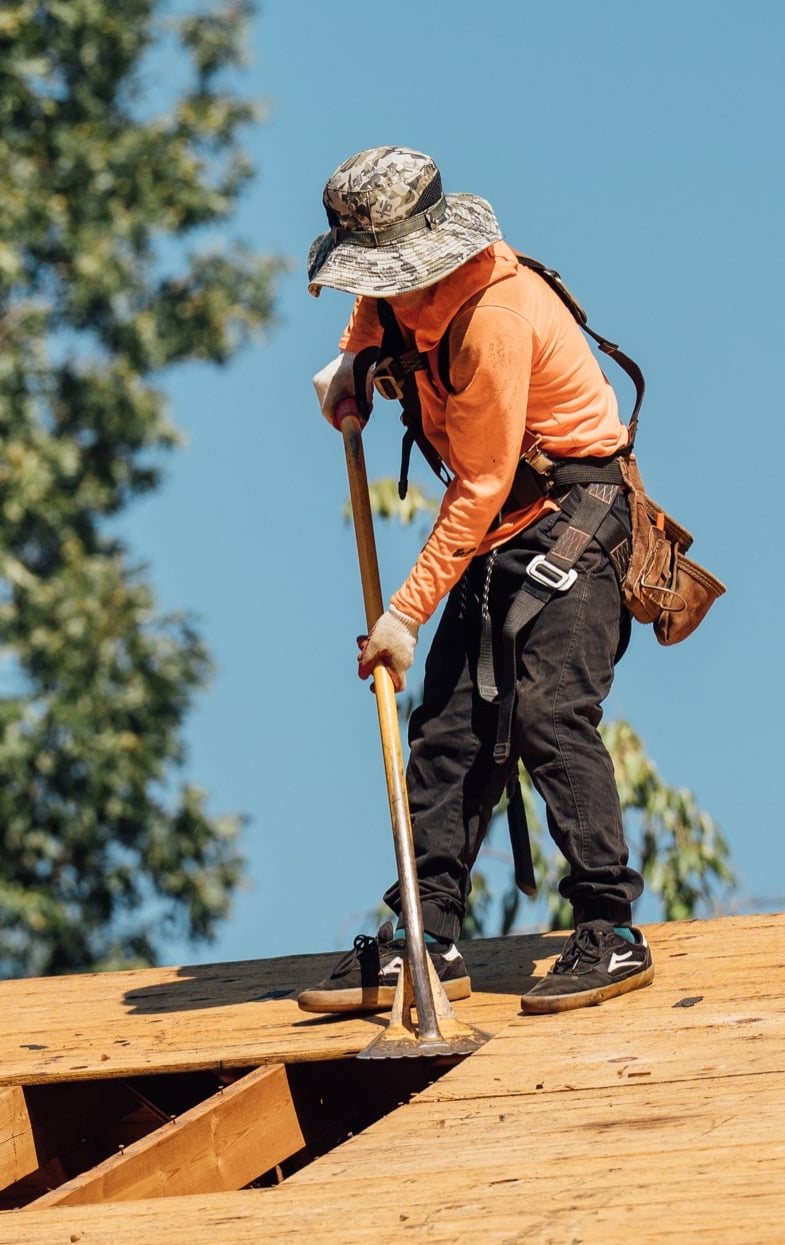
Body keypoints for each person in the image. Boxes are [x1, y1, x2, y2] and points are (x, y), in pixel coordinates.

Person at [296, 146, 653, 1018]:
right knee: (450, 730)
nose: (376, 290)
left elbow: (483, 482)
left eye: (387, 274)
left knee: (545, 713)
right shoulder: (388, 293)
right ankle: (431, 936)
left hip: (574, 515)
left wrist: (402, 617)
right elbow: (371, 330)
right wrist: (353, 372)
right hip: (494, 532)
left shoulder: (496, 315)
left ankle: (611, 929)